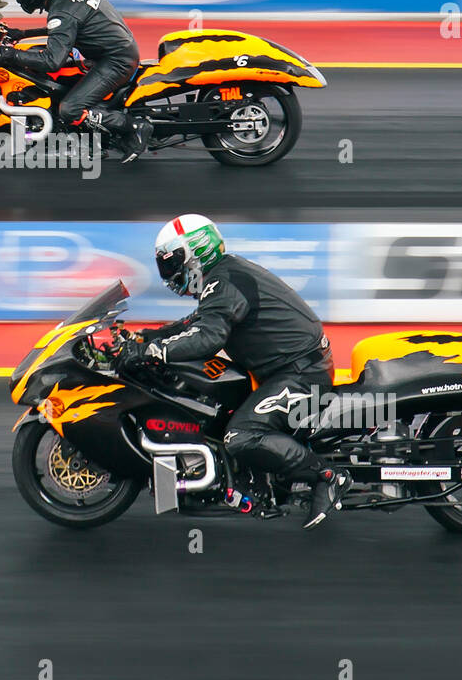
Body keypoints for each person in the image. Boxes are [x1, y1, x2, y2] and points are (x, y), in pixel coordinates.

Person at [117, 214, 352, 528]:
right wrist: (147, 336)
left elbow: (208, 337)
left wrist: (153, 352)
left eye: (171, 262)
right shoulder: (222, 276)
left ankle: (328, 477)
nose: (168, 272)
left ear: (195, 253)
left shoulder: (224, 281)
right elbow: (196, 322)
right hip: (282, 369)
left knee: (241, 435)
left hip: (302, 374)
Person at [0, 0, 153, 163]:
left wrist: (12, 54)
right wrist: (22, 34)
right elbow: (65, 27)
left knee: (69, 109)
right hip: (113, 52)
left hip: (115, 61)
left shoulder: (61, 11)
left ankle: (134, 127)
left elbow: (51, 60)